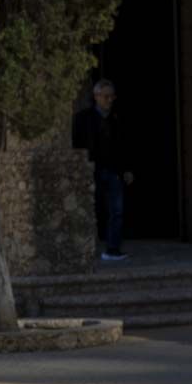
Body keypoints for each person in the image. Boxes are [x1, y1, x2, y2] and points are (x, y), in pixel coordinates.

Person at [73, 79, 134, 260]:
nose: (109, 100)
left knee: (116, 211)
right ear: (96, 96)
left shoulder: (117, 118)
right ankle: (82, 252)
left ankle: (112, 249)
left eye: (112, 96)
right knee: (90, 209)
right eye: (105, 96)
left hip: (113, 171)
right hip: (91, 170)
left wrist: (127, 169)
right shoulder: (83, 118)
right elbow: (77, 144)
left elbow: (124, 146)